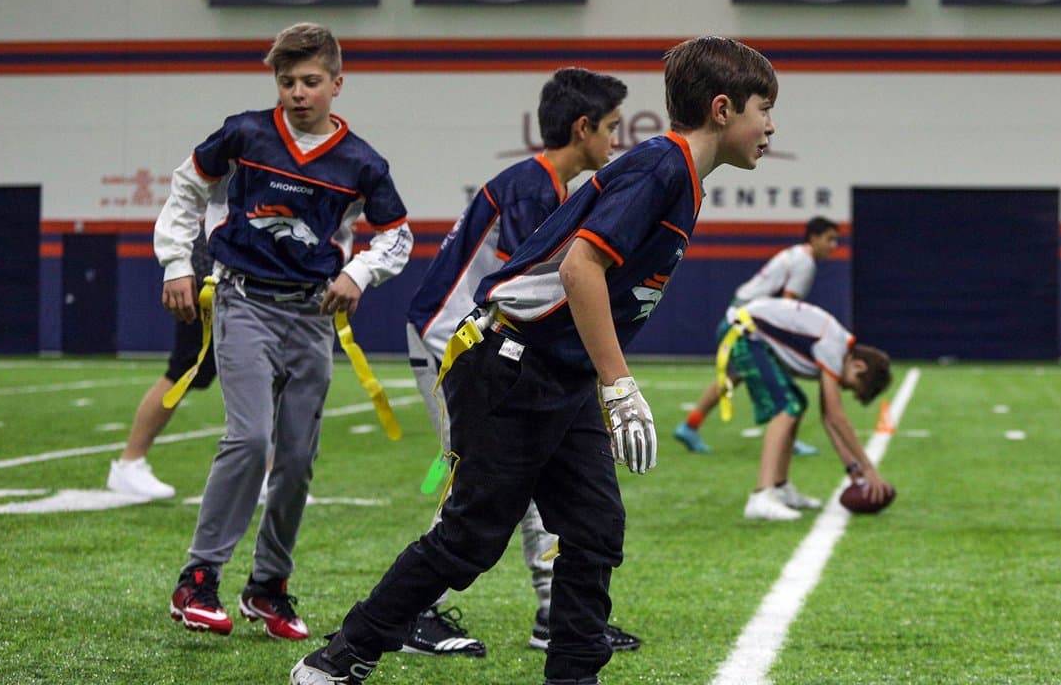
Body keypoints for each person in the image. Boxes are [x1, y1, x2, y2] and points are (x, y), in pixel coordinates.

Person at [291, 35, 779, 685]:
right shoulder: (663, 167)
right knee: (472, 537)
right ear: (723, 108)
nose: (771, 125)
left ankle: (573, 677)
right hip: (511, 362)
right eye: (763, 108)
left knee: (596, 526)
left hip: (557, 370)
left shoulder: (683, 180)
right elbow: (581, 269)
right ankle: (341, 656)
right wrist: (620, 384)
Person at [156, 22, 413, 641]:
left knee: (296, 459)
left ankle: (268, 587)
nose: (298, 93)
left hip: (311, 315)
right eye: (287, 81)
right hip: (243, 301)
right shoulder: (246, 132)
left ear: (337, 84)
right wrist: (176, 261)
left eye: (311, 81)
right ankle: (198, 579)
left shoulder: (362, 162)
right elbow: (188, 182)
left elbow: (396, 233)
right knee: (248, 439)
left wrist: (360, 271)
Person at [402, 68, 639, 657]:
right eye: (612, 128)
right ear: (583, 128)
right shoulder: (534, 192)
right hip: (453, 343)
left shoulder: (543, 187)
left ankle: (553, 615)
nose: (616, 140)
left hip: (473, 340)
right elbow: (526, 296)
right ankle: (413, 613)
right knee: (481, 483)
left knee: (524, 479)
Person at [673, 216, 840, 455]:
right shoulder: (805, 263)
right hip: (750, 323)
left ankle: (690, 426)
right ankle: (786, 438)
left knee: (734, 375)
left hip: (739, 315)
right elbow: (787, 308)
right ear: (814, 238)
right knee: (779, 380)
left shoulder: (796, 255)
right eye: (830, 239)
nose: (833, 245)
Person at [718, 297, 895, 521]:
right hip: (742, 332)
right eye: (851, 384)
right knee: (787, 407)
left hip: (747, 330)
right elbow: (835, 415)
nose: (844, 387)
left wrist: (852, 467)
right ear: (859, 365)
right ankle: (761, 495)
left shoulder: (838, 344)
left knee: (797, 404)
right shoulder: (833, 346)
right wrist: (868, 468)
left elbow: (828, 419)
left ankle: (780, 487)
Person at [107, 232, 214, 500]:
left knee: (271, 370)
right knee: (184, 370)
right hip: (213, 278)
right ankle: (130, 461)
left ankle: (271, 471)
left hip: (252, 275)